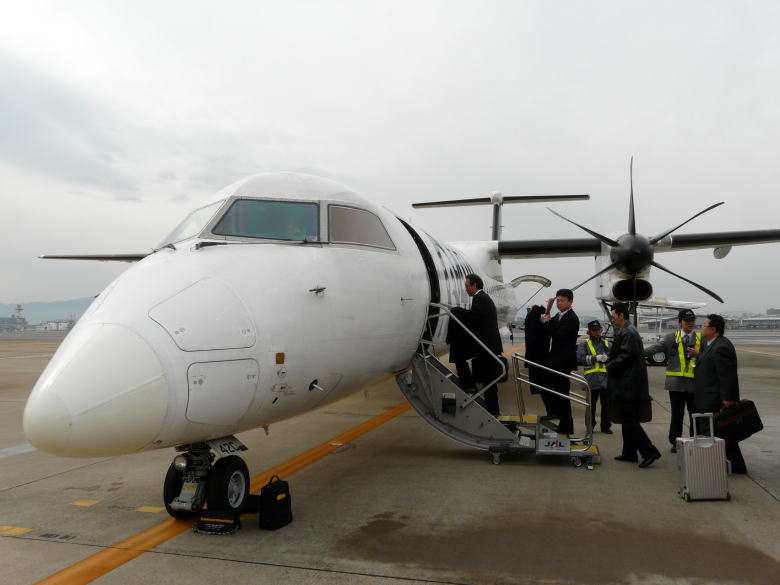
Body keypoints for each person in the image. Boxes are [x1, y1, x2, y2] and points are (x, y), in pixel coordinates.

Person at [689, 314, 747, 474]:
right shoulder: (712, 345)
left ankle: (731, 466)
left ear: (713, 329)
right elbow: (710, 362)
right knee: (722, 435)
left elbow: (726, 375)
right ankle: (733, 465)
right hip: (707, 398)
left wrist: (728, 399)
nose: (701, 327)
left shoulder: (721, 347)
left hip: (714, 400)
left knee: (719, 434)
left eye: (704, 325)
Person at [608, 302, 662, 468]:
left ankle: (650, 451)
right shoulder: (626, 330)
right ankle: (629, 453)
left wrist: (609, 365)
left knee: (630, 421)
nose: (612, 319)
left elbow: (627, 356)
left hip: (628, 385)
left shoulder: (628, 332)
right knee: (627, 420)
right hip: (628, 383)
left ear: (621, 315)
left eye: (613, 315)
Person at [644, 308, 701, 453]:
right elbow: (655, 348)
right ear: (680, 322)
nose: (690, 323)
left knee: (695, 414)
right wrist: (636, 351)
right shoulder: (671, 338)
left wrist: (699, 354)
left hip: (694, 384)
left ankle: (695, 440)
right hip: (675, 385)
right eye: (687, 321)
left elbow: (708, 358)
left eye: (692, 320)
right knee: (677, 414)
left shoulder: (701, 340)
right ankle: (675, 442)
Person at [451, 274, 503, 416]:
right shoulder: (483, 297)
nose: (466, 289)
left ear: (475, 286)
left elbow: (474, 318)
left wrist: (457, 311)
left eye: (467, 286)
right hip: (487, 345)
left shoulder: (479, 298)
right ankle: (492, 410)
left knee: (488, 380)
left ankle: (491, 409)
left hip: (486, 346)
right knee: (488, 381)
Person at [540, 289, 579, 435]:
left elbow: (557, 334)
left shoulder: (571, 318)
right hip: (556, 359)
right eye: (557, 301)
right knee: (560, 391)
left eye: (562, 301)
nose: (559, 303)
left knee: (558, 389)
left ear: (570, 302)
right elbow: (553, 327)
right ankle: (564, 424)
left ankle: (556, 413)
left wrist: (546, 323)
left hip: (563, 361)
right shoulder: (560, 315)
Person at [576, 319, 612, 434]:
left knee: (606, 405)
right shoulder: (584, 344)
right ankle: (590, 426)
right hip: (591, 380)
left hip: (605, 379)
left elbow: (614, 357)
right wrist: (594, 358)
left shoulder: (607, 344)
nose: (597, 332)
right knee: (590, 405)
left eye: (598, 330)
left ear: (601, 330)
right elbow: (580, 359)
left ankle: (606, 426)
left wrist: (608, 358)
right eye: (594, 330)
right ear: (589, 332)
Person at [524, 305, 551, 410]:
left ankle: (551, 410)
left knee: (543, 387)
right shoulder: (541, 327)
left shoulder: (532, 323)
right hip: (541, 360)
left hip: (535, 360)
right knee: (546, 387)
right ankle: (552, 410)